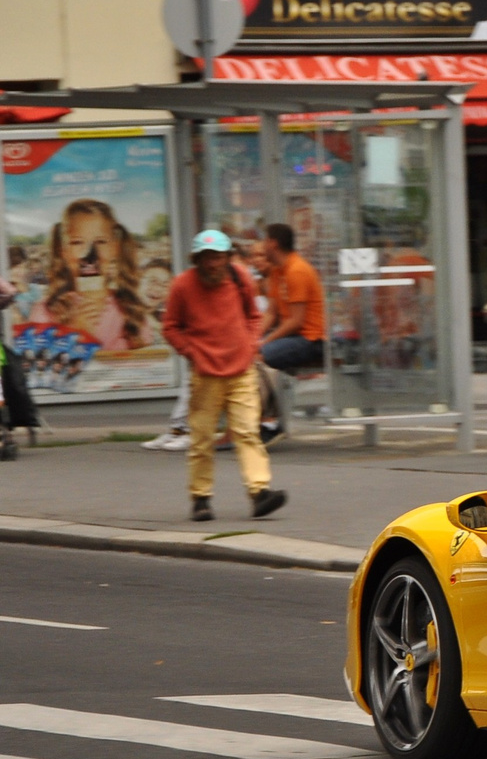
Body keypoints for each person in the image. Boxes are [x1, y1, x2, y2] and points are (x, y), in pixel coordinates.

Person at [161, 230, 287, 522]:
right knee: (203, 439)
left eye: (218, 257)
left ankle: (259, 493)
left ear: (227, 257)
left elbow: (254, 317)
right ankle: (201, 498)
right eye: (207, 258)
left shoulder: (240, 277)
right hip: (206, 375)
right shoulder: (183, 285)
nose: (213, 264)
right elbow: (170, 327)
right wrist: (191, 352)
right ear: (197, 260)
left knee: (247, 433)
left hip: (241, 370)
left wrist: (251, 342)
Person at [29, 198, 152, 350]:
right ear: (64, 251)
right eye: (77, 242)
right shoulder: (44, 311)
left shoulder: (131, 311)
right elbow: (36, 368)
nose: (89, 254)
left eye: (100, 242)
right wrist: (77, 335)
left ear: (115, 248)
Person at [259, 223, 326, 372]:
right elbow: (270, 313)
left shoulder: (296, 270)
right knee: (252, 352)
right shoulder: (278, 271)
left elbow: (296, 321)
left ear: (273, 243)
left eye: (265, 241)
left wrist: (264, 342)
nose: (262, 247)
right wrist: (253, 338)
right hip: (294, 337)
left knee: (258, 357)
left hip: (311, 339)